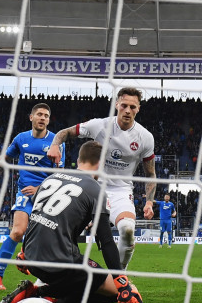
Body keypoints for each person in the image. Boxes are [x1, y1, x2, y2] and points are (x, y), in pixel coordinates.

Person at [0, 141, 143, 303]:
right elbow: (107, 241)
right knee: (122, 292)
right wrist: (121, 282)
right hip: (61, 263)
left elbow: (36, 218)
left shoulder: (51, 178)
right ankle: (41, 296)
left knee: (78, 281)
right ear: (101, 163)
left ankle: (38, 293)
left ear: (79, 160)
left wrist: (24, 251)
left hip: (31, 259)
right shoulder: (95, 189)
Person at [47, 87, 156, 269]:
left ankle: (119, 278)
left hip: (120, 190)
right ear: (116, 105)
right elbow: (65, 132)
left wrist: (149, 202)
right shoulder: (100, 125)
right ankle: (46, 278)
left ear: (138, 109)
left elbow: (150, 173)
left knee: (128, 231)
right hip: (91, 187)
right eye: (124, 105)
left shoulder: (145, 137)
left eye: (132, 107)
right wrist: (54, 145)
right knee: (61, 230)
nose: (127, 110)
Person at [0, 103, 65, 290]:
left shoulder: (56, 142)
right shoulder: (21, 138)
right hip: (24, 192)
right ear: (31, 117)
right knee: (17, 231)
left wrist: (39, 188)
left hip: (48, 195)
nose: (43, 118)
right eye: (39, 114)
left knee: (48, 238)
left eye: (46, 116)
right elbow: (8, 155)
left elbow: (59, 173)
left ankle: (31, 262)